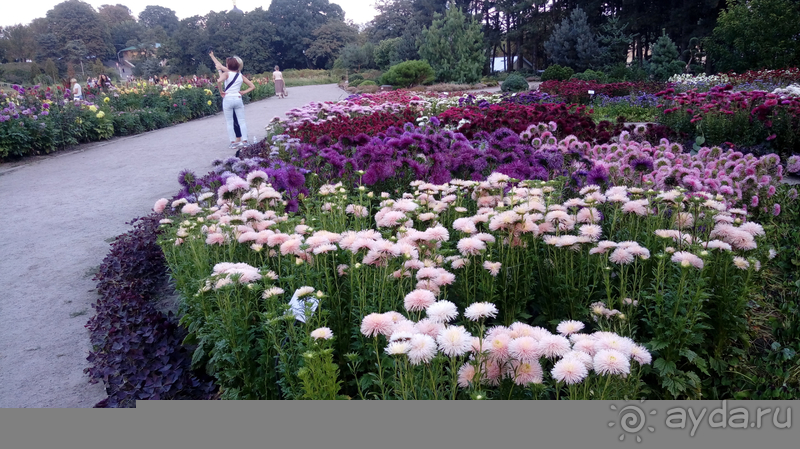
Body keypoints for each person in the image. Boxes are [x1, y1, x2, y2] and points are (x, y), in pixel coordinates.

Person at [210, 52, 255, 149]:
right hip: (238, 98)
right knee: (242, 121)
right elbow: (252, 86)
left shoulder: (226, 73)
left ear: (228, 65)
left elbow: (219, 81)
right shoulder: (240, 75)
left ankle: (233, 142)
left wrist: (221, 91)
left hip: (228, 98)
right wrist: (243, 92)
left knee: (229, 122)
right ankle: (245, 141)